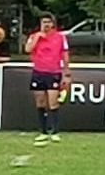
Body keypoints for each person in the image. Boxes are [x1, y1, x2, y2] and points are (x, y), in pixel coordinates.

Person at [24, 13, 71, 145]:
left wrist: (66, 72)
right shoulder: (34, 36)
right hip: (38, 72)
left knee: (53, 101)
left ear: (53, 24)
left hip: (53, 72)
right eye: (44, 22)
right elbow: (27, 49)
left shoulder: (60, 37)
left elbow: (65, 54)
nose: (46, 25)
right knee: (40, 102)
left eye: (48, 22)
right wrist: (37, 38)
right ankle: (43, 132)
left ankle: (55, 132)